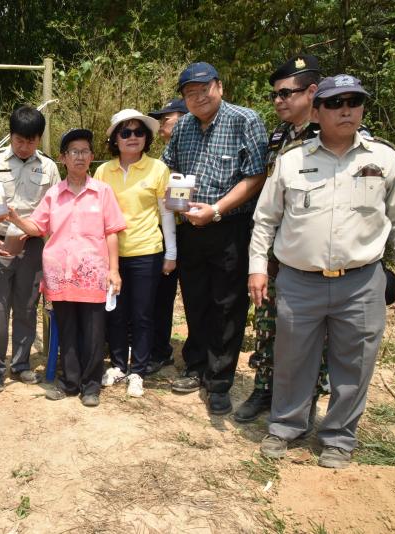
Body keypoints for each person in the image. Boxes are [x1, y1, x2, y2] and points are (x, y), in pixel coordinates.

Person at [251, 74, 395, 468]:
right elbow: (265, 219)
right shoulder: (292, 160)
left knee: (355, 364)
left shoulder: (385, 159)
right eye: (335, 103)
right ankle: (286, 426)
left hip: (361, 282)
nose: (346, 109)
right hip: (300, 281)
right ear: (317, 112)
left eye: (354, 101)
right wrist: (257, 268)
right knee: (292, 360)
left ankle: (338, 437)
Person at [163, 62, 268, 415]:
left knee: (227, 304)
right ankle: (195, 366)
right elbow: (171, 168)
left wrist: (218, 209)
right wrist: (176, 201)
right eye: (189, 93)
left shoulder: (245, 120)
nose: (197, 98)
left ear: (219, 87)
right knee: (195, 299)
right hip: (190, 228)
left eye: (203, 89)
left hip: (229, 226)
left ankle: (219, 380)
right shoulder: (183, 127)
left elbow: (256, 176)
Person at [235, 54, 328, 423]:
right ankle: (264, 387)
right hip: (276, 249)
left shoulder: (332, 135)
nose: (278, 100)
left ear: (312, 91)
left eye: (286, 93)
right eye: (275, 94)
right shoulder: (280, 136)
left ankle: (307, 398)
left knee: (312, 334)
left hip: (313, 252)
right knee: (268, 321)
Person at [8, 129, 125, 406]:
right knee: (68, 330)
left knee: (94, 333)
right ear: (63, 158)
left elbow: (112, 232)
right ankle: (70, 383)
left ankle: (91, 386)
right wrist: (14, 218)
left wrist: (114, 270)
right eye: (74, 152)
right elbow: (37, 227)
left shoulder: (103, 192)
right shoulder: (53, 194)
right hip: (60, 275)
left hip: (93, 274)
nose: (80, 157)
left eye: (85, 151)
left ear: (92, 157)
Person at [0, 106, 61, 393]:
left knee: (26, 308)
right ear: (10, 136)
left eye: (31, 141)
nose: (24, 147)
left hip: (31, 246)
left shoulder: (49, 167)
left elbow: (56, 209)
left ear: (39, 139)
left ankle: (21, 365)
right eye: (19, 140)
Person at [94, 109, 177, 397]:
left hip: (147, 251)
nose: (133, 137)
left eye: (139, 132)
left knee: (143, 314)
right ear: (115, 139)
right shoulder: (103, 171)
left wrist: (171, 253)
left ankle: (138, 370)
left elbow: (167, 213)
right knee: (116, 313)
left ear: (147, 138)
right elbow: (98, 216)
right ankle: (118, 365)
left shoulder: (158, 169)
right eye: (125, 132)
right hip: (112, 254)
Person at [146, 98, 188, 374]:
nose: (161, 126)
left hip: (197, 230)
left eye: (166, 119)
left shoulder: (196, 152)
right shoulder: (162, 159)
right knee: (161, 295)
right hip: (168, 232)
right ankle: (159, 350)